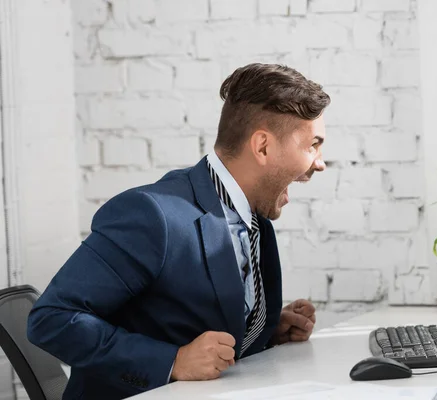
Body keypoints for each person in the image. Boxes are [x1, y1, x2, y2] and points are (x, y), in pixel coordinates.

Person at [27, 63, 331, 400]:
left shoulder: (252, 214)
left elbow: (178, 316)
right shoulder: (152, 214)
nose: (320, 162)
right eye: (312, 145)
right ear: (262, 147)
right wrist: (173, 361)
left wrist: (262, 329)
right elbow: (52, 319)